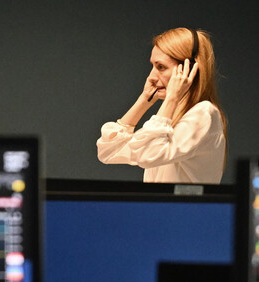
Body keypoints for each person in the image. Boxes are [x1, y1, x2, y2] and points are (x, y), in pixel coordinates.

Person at [96, 27, 228, 184]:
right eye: (152, 66)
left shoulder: (203, 114)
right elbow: (108, 152)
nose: (151, 77)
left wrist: (172, 98)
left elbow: (148, 154)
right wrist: (144, 100)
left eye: (161, 67)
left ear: (189, 69)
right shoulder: (171, 118)